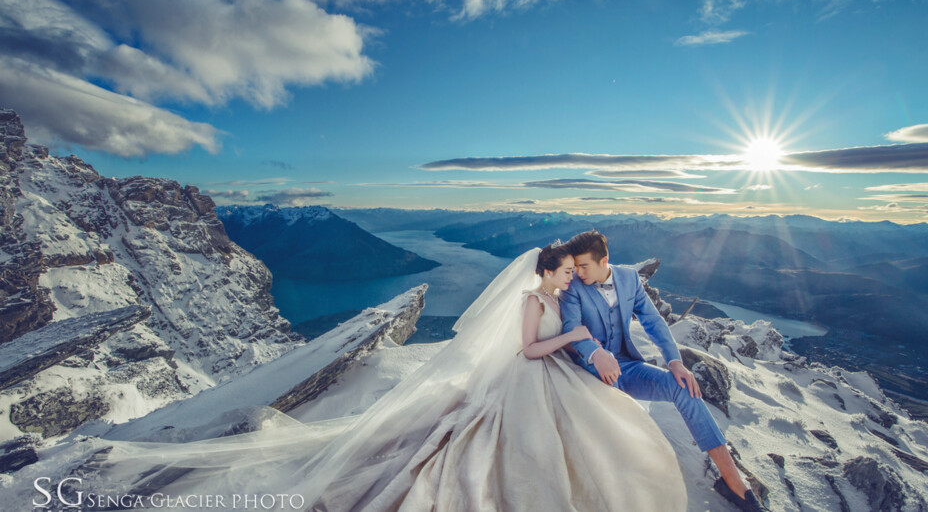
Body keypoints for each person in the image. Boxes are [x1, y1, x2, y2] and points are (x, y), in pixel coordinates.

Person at [39, 245, 688, 511]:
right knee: (487, 447)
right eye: (562, 274)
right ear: (543, 275)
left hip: (549, 379)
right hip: (527, 376)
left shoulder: (562, 292)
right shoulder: (534, 301)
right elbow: (525, 348)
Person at [560, 230, 768, 512]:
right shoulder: (572, 286)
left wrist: (675, 361)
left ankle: (734, 483)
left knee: (685, 387)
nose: (578, 271)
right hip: (592, 370)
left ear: (604, 260)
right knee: (619, 412)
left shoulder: (629, 278)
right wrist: (596, 354)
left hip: (629, 366)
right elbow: (571, 329)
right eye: (577, 265)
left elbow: (653, 321)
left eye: (584, 265)